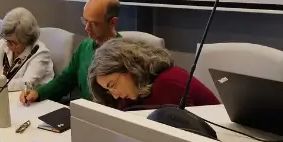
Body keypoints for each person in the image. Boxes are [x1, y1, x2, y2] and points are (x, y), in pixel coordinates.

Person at [19, 0, 120, 105]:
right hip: (84, 111)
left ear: (112, 22)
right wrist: (39, 93)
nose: (87, 28)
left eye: (94, 24)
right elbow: (66, 80)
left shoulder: (123, 55)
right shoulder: (85, 47)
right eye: (85, 21)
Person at [88, 39, 220, 109]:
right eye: (108, 90)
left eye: (112, 85)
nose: (115, 95)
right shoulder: (136, 91)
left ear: (128, 68)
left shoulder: (167, 85)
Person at [0, 7, 54, 95]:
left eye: (13, 42)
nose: (8, 45)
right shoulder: (3, 44)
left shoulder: (40, 53)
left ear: (27, 40)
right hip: (6, 97)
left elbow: (27, 83)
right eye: (7, 39)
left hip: (33, 100)